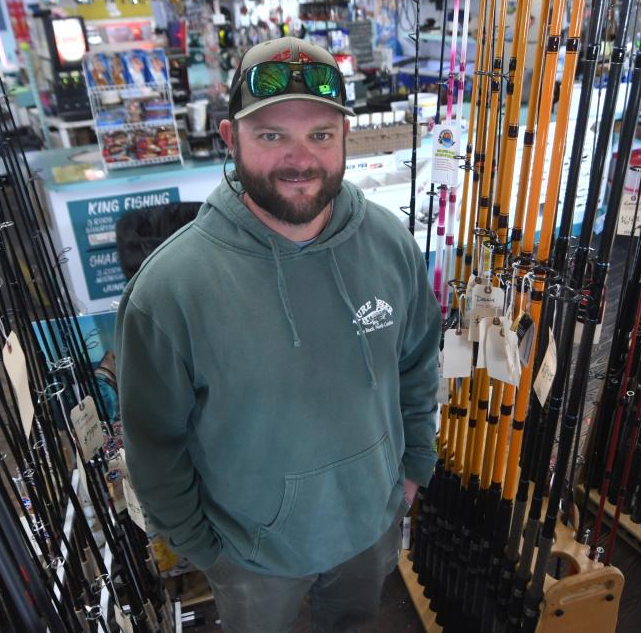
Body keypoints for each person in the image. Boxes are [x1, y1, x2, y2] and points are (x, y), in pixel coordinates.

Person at [117, 36, 441, 633]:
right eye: (271, 136)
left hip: (370, 528)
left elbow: (419, 364)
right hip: (249, 559)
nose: (301, 158)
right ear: (228, 138)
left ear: (345, 136)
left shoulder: (393, 245)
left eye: (320, 134)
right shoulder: (167, 291)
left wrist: (414, 467)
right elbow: (152, 443)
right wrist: (204, 549)